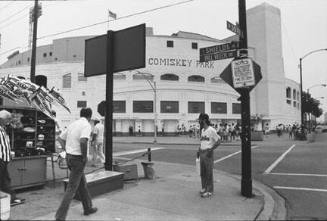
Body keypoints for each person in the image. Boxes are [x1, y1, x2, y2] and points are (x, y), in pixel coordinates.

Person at [55, 108, 97, 221]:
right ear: (89, 116)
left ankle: (87, 208)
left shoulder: (73, 124)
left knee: (82, 184)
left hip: (70, 158)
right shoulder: (86, 125)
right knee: (71, 188)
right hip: (78, 159)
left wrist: (67, 150)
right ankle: (60, 217)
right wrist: (84, 157)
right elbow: (83, 141)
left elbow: (60, 138)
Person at [0, 110, 25, 206]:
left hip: (4, 159)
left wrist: (9, 153)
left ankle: (10, 199)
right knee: (4, 179)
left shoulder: (3, 128)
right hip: (0, 159)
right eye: (7, 119)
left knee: (5, 179)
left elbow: (4, 144)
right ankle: (11, 199)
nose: (9, 121)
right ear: (1, 119)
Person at [198, 113, 221, 198]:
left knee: (208, 172)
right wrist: (198, 150)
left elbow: (218, 141)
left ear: (204, 120)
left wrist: (211, 150)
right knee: (202, 172)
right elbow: (202, 141)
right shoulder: (202, 130)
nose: (199, 121)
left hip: (208, 153)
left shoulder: (211, 130)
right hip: (202, 152)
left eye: (200, 120)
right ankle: (204, 187)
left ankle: (209, 190)